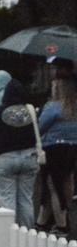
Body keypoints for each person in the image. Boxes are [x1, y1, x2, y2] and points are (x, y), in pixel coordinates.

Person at [0, 80, 38, 227]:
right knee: (26, 199)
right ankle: (27, 234)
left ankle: (9, 235)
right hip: (29, 157)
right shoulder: (30, 111)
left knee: (7, 200)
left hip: (4, 157)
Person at [36, 73, 77, 235]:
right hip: (72, 147)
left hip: (53, 148)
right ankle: (45, 220)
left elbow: (40, 127)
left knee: (52, 185)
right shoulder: (73, 106)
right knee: (66, 183)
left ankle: (61, 224)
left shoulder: (53, 107)